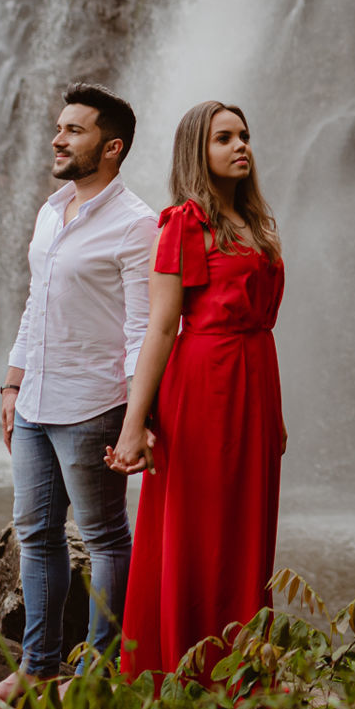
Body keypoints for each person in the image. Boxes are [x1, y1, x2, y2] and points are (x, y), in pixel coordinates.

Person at [106, 100, 287, 678]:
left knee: (246, 527)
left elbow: (261, 319)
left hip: (255, 379)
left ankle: (243, 667)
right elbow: (162, 326)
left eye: (245, 136)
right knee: (200, 527)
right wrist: (134, 425)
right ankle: (188, 671)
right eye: (223, 139)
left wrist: (275, 416)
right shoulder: (185, 222)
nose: (241, 147)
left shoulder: (255, 225)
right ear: (196, 152)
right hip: (204, 382)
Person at [0, 82, 158, 702]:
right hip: (35, 401)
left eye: (74, 130)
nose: (58, 139)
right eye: (59, 128)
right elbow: (38, 303)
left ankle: (94, 677)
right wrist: (13, 381)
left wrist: (135, 420)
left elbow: (144, 330)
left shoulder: (138, 226)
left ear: (111, 147)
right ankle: (37, 665)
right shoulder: (50, 209)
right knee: (36, 533)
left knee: (108, 538)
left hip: (94, 405)